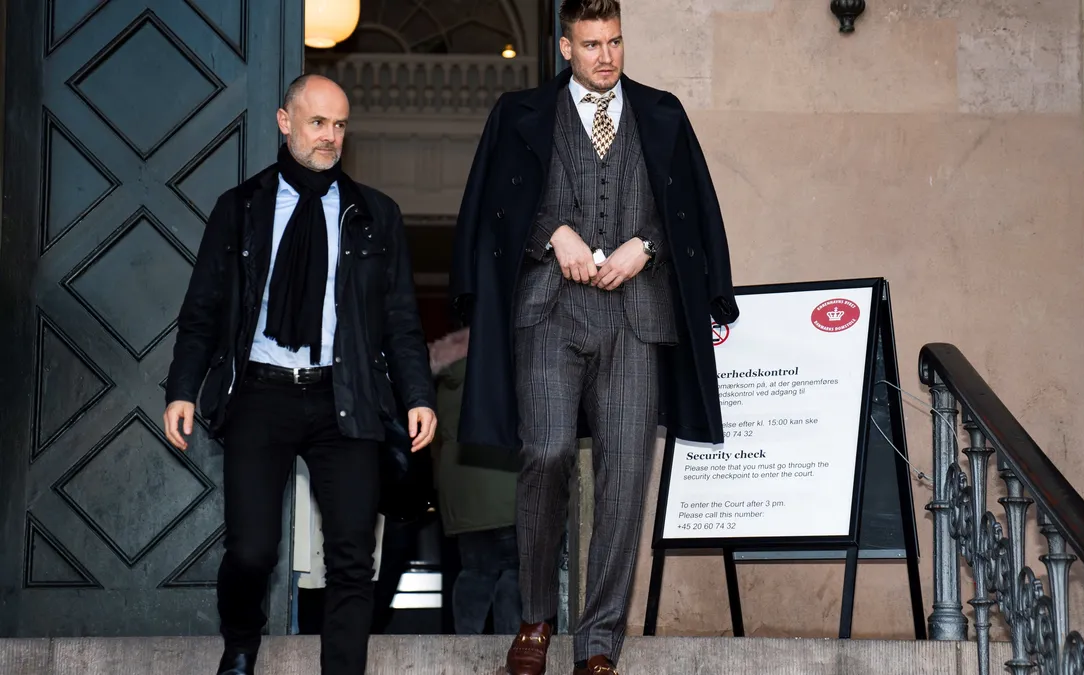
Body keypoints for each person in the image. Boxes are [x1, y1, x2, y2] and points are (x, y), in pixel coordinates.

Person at [448, 0, 739, 672]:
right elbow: (494, 207)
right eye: (591, 44)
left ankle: (600, 641)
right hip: (548, 314)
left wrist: (647, 244)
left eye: (614, 42)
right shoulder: (518, 113)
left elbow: (690, 207)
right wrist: (552, 233)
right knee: (546, 452)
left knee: (625, 476)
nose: (606, 57)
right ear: (564, 48)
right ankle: (535, 615)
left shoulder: (662, 113)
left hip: (637, 318)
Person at [162, 73, 437, 675]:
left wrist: (418, 394)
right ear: (285, 123)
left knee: (351, 559)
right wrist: (182, 388)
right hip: (261, 393)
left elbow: (400, 319)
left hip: (346, 396)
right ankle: (241, 643)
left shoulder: (375, 215)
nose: (330, 136)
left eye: (340, 125)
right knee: (252, 551)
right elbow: (203, 310)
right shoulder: (240, 209)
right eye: (317, 123)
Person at [428, 327, 522, 635]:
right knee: (515, 570)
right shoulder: (504, 361)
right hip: (507, 482)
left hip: (460, 491)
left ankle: (464, 644)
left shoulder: (442, 377)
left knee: (474, 570)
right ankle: (510, 642)